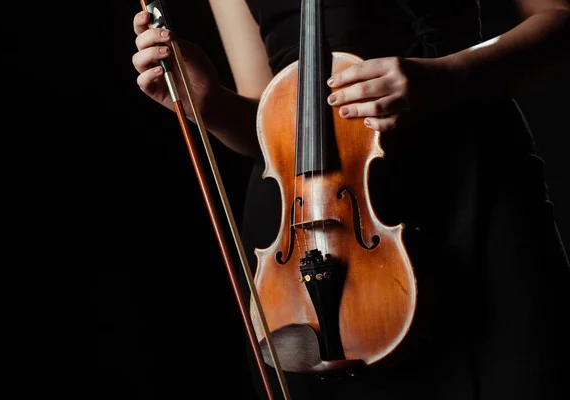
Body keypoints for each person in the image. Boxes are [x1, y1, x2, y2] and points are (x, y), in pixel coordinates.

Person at [131, 0, 570, 398]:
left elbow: (558, 18)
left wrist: (450, 76)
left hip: (471, 187)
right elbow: (265, 117)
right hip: (313, 232)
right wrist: (210, 104)